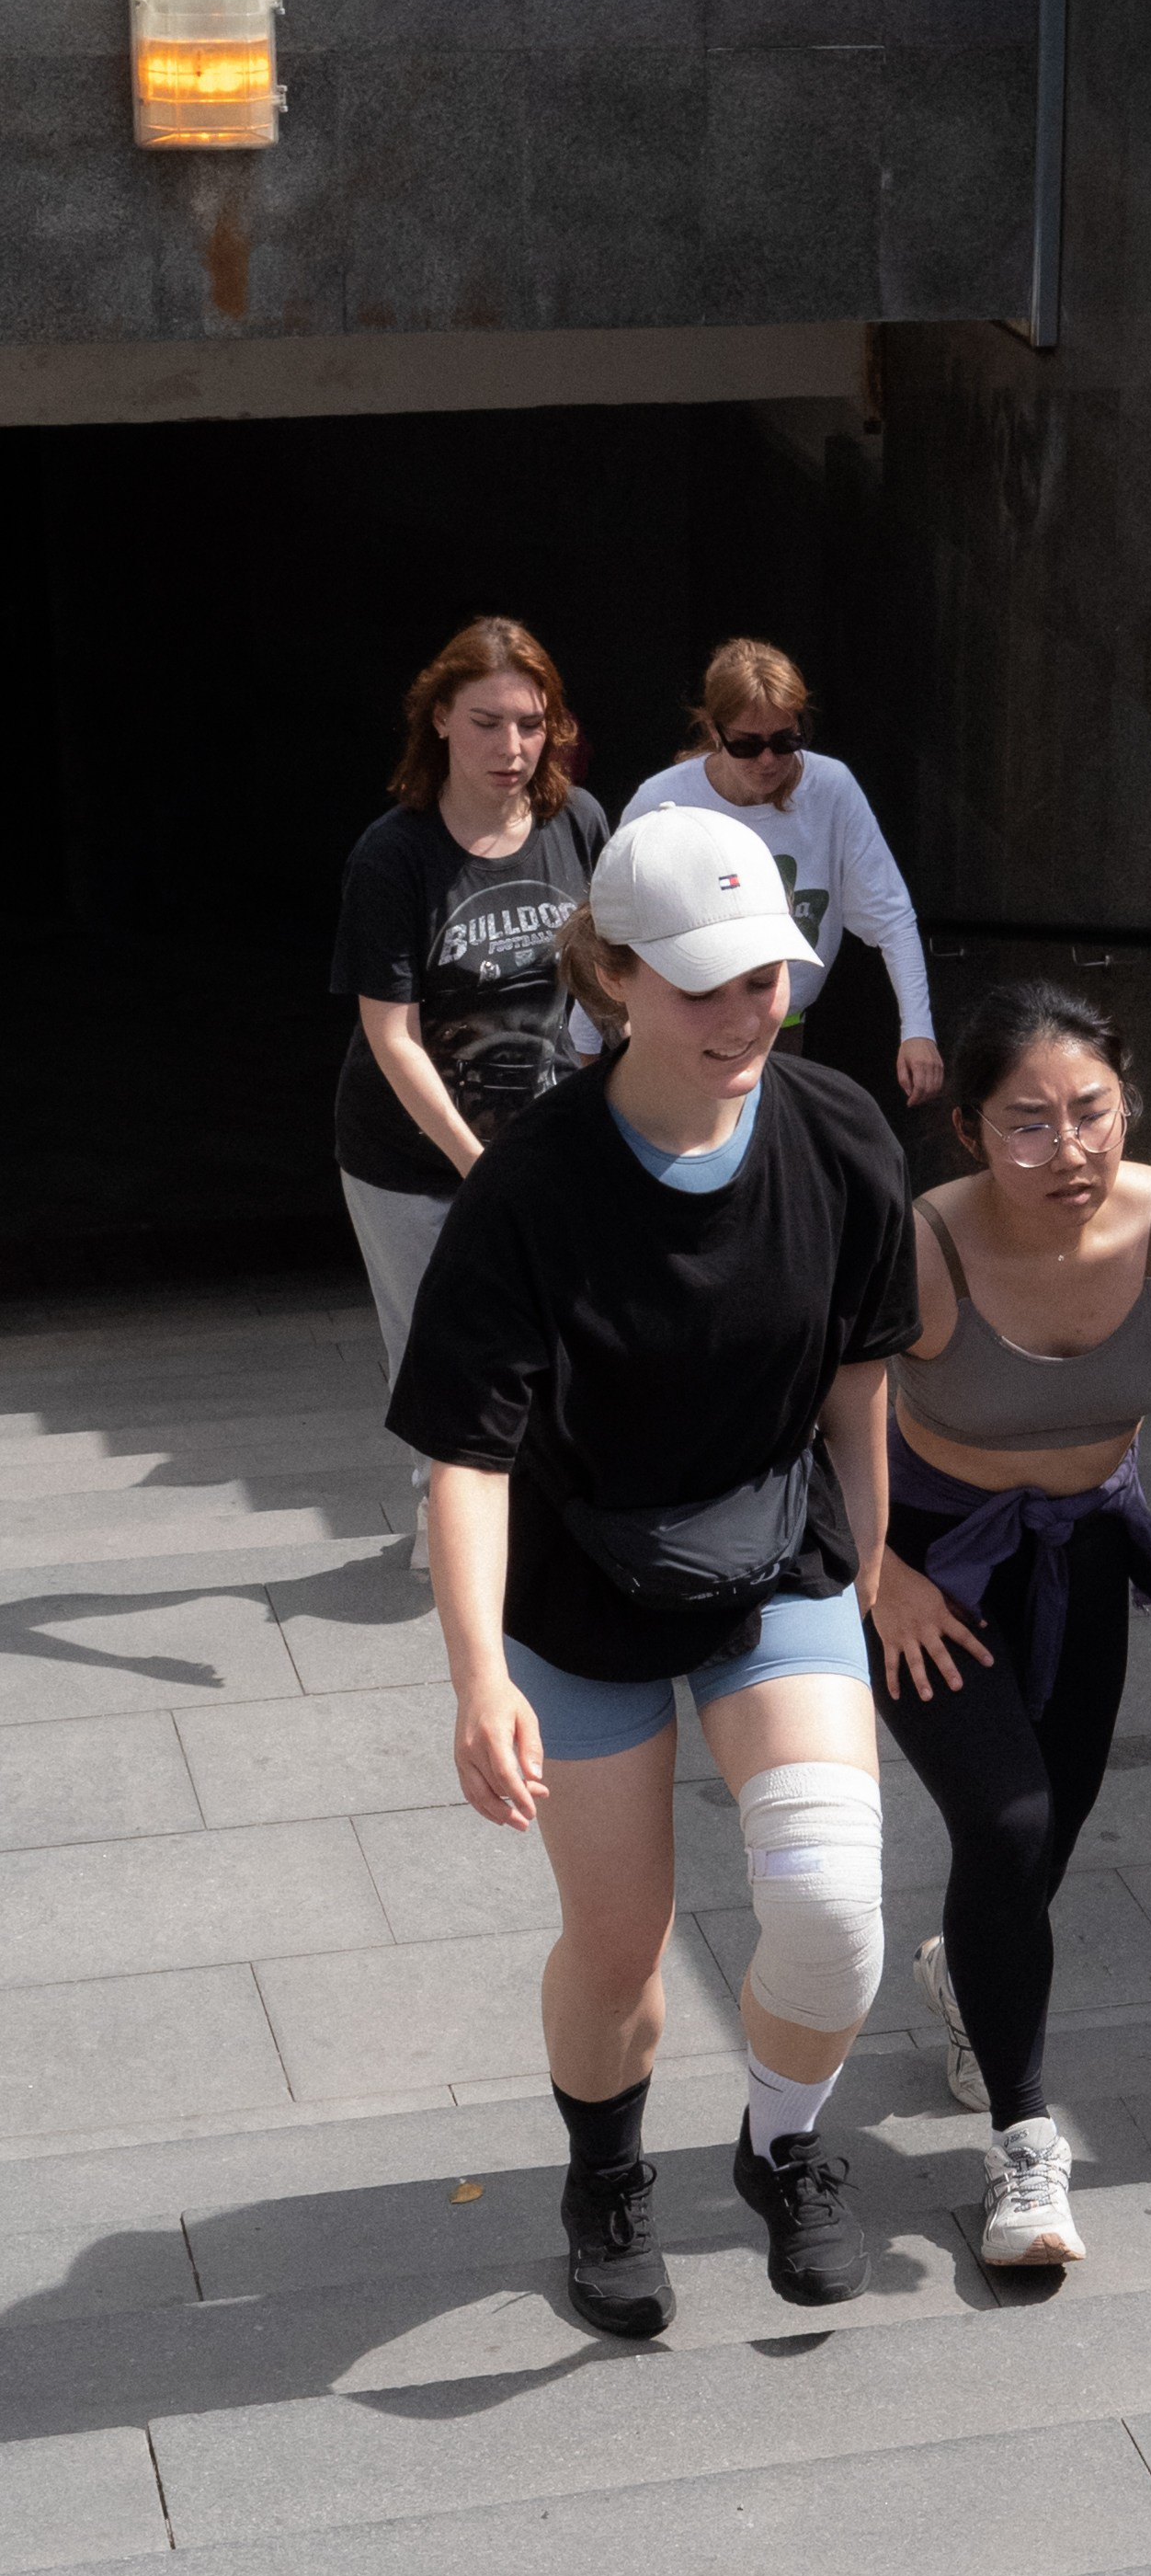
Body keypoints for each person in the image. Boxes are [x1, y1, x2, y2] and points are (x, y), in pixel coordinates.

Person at [386, 808, 917, 2337]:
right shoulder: (531, 1191)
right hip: (582, 1585)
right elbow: (468, 1459)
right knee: (620, 1942)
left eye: (766, 978)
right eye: (703, 984)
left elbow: (860, 1391)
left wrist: (867, 1586)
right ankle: (607, 2176)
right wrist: (477, 1678)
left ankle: (780, 2140)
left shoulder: (841, 1136)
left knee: (830, 1903)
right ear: (610, 974)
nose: (745, 1015)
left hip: (775, 1550)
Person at [872, 982, 1151, 2268]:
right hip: (926, 1566)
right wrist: (881, 1574)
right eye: (1027, 1125)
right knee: (1002, 1824)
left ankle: (971, 1975)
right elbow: (801, 1424)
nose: (1069, 1152)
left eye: (1092, 1114)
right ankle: (1024, 2151)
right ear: (968, 1134)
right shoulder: (918, 1245)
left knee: (1040, 1845)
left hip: (1084, 1555)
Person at [331, 615, 604, 1572]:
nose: (513, 747)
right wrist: (473, 1163)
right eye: (487, 722)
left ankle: (537, 1512)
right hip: (409, 1154)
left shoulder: (579, 823)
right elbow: (389, 1033)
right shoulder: (393, 856)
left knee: (558, 1329)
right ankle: (445, 1525)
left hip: (542, 1139)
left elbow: (610, 983)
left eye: (532, 722)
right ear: (440, 717)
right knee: (437, 1348)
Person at [610, 638, 942, 1108]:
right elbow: (607, 926)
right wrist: (596, 1041)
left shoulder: (830, 787)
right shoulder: (663, 800)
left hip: (782, 1029)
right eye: (747, 745)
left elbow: (891, 917)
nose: (768, 761)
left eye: (785, 741)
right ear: (714, 730)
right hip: (687, 1030)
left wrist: (918, 1032)